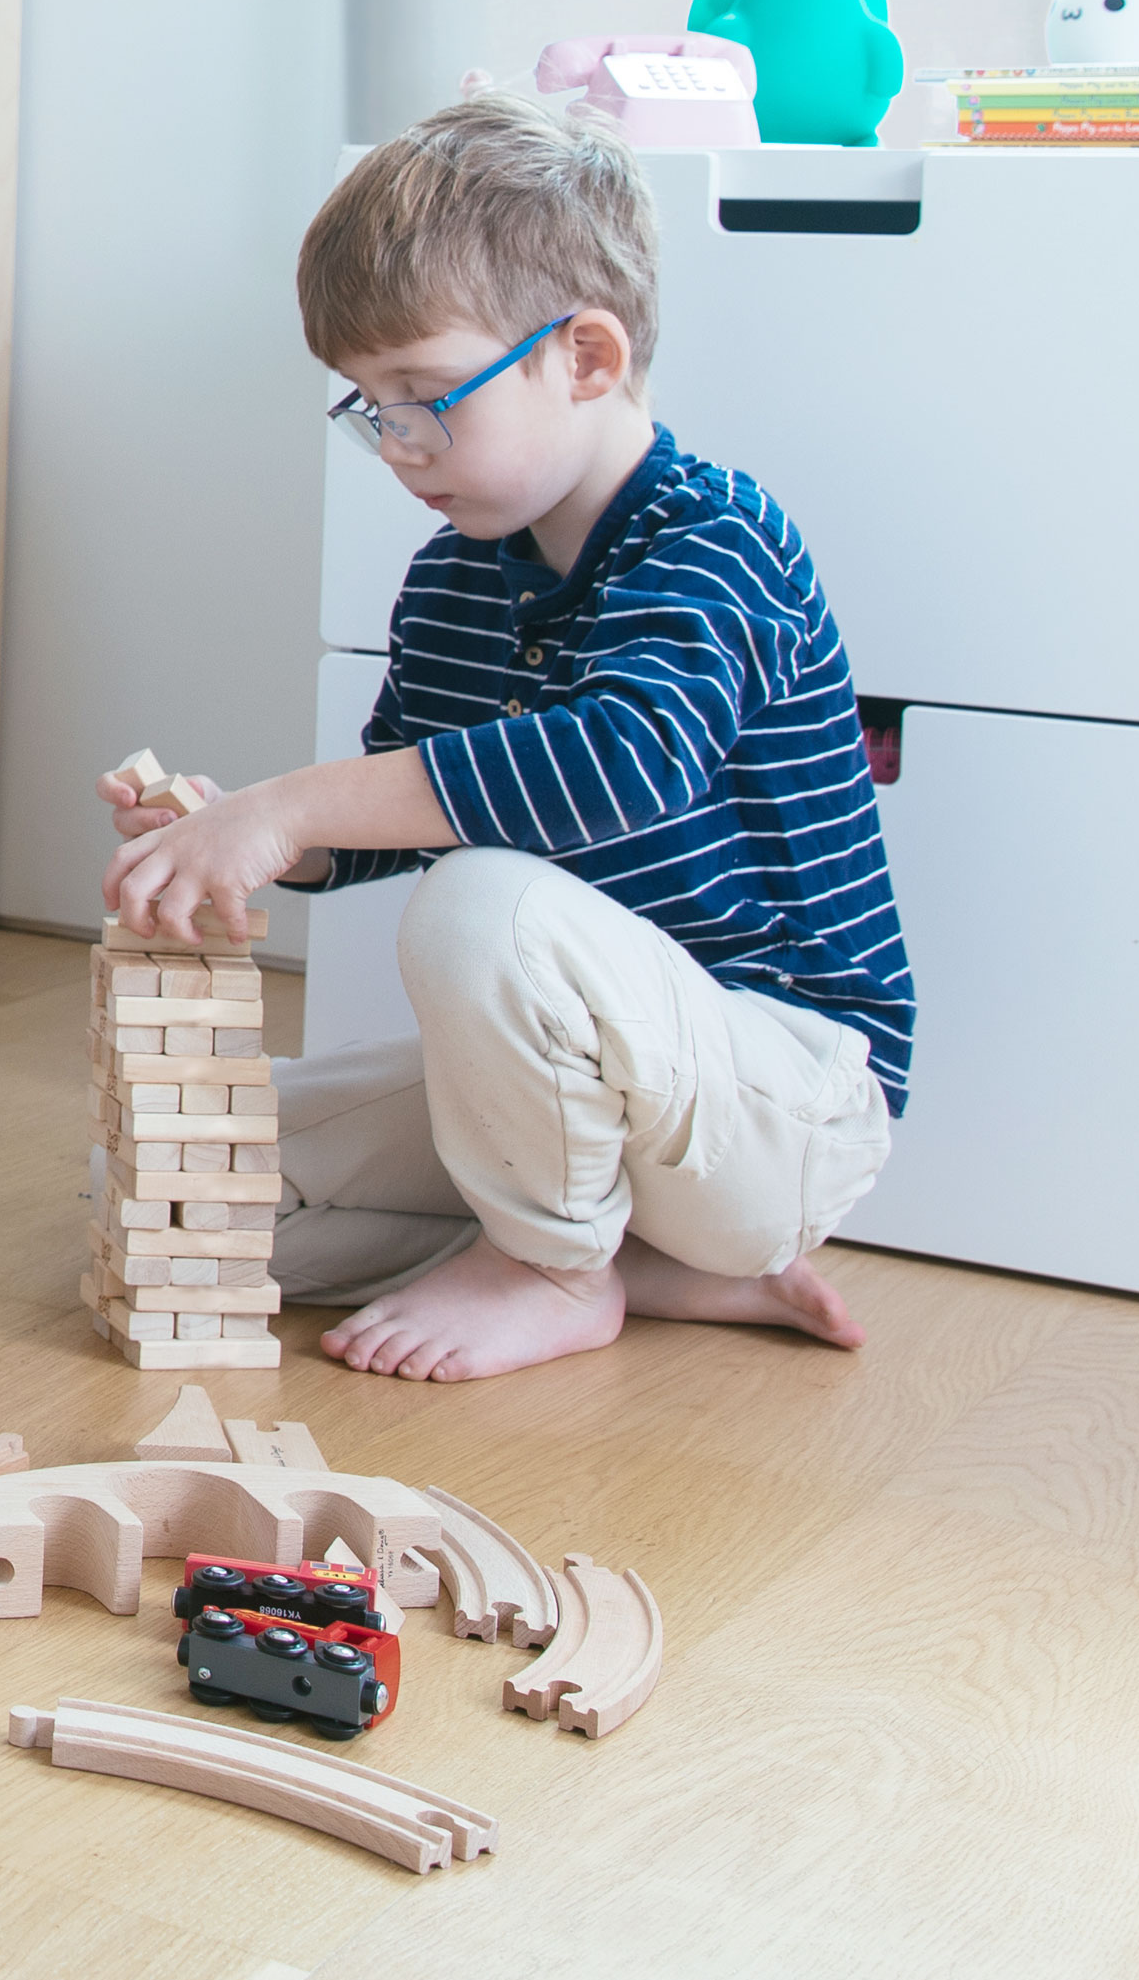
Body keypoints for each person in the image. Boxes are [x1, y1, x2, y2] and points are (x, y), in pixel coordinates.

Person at [99, 91, 909, 1384]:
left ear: (585, 358)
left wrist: (294, 805)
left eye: (424, 396)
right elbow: (391, 820)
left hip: (781, 1096)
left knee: (484, 903)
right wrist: (249, 833)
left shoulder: (717, 544)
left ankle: (552, 1266)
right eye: (367, 405)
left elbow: (620, 761)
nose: (396, 446)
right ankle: (644, 1264)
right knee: (168, 1195)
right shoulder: (458, 573)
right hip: (588, 1100)